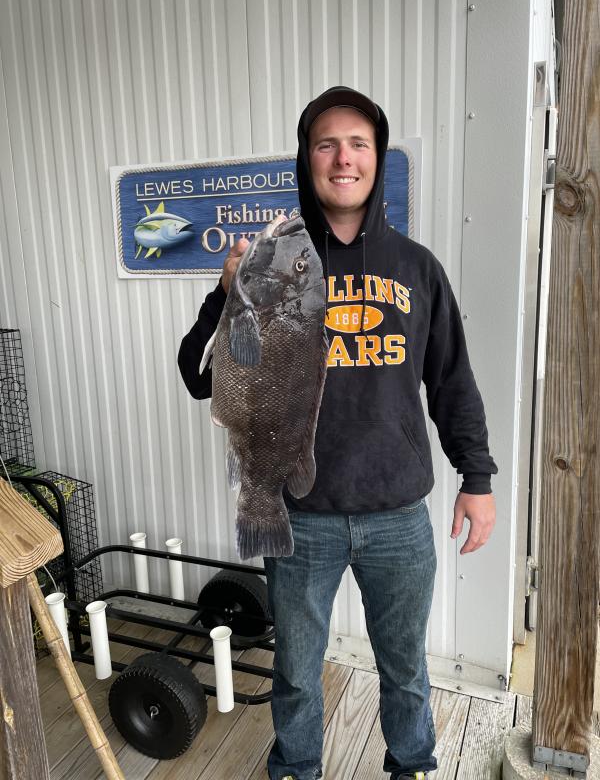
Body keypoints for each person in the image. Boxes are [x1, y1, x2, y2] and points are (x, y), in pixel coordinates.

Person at [178, 86, 498, 780]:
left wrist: (477, 478)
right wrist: (224, 292)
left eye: (358, 143)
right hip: (297, 515)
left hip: (398, 516)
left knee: (406, 670)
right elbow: (202, 378)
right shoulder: (271, 262)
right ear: (308, 159)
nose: (343, 157)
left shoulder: (417, 268)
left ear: (377, 160)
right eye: (327, 143)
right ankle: (297, 769)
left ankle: (410, 764)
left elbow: (451, 383)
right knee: (295, 671)